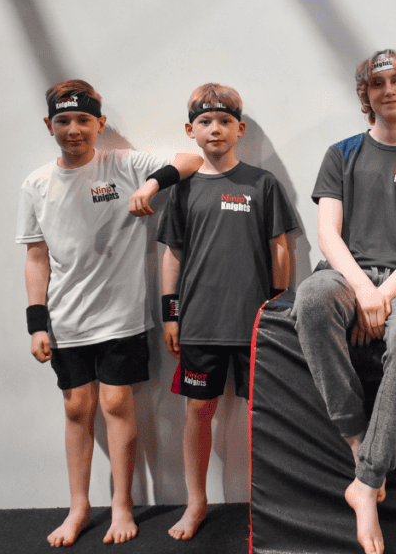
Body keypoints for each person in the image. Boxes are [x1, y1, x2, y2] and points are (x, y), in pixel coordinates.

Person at [17, 79, 202, 547]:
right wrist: (37, 323)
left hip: (120, 318)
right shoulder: (36, 184)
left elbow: (191, 159)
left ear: (100, 123)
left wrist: (154, 184)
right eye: (63, 121)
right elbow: (36, 257)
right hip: (66, 320)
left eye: (84, 119)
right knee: (77, 408)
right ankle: (79, 506)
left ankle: (122, 503)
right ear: (49, 125)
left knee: (117, 404)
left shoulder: (121, 165)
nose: (74, 129)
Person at [291, 50, 396, 554]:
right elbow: (328, 234)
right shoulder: (341, 154)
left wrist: (382, 296)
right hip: (348, 272)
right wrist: (362, 288)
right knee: (312, 300)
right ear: (366, 96)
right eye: (378, 83)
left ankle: (365, 483)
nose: (389, 91)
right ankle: (359, 439)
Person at [156, 83, 297, 540]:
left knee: (268, 417)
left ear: (239, 128)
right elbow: (172, 255)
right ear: (190, 130)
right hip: (199, 325)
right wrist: (171, 314)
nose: (214, 129)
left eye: (223, 121)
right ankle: (197, 503)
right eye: (204, 122)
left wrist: (278, 305)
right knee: (199, 411)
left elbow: (280, 247)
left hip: (257, 325)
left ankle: (272, 505)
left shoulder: (262, 183)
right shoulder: (182, 190)